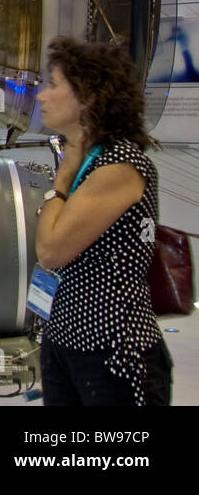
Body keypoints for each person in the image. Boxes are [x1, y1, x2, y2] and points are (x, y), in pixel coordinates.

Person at [34, 36, 172, 406]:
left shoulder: (120, 164)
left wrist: (61, 181)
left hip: (112, 353)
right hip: (67, 343)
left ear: (89, 97)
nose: (40, 96)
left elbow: (50, 250)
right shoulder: (92, 160)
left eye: (53, 85)